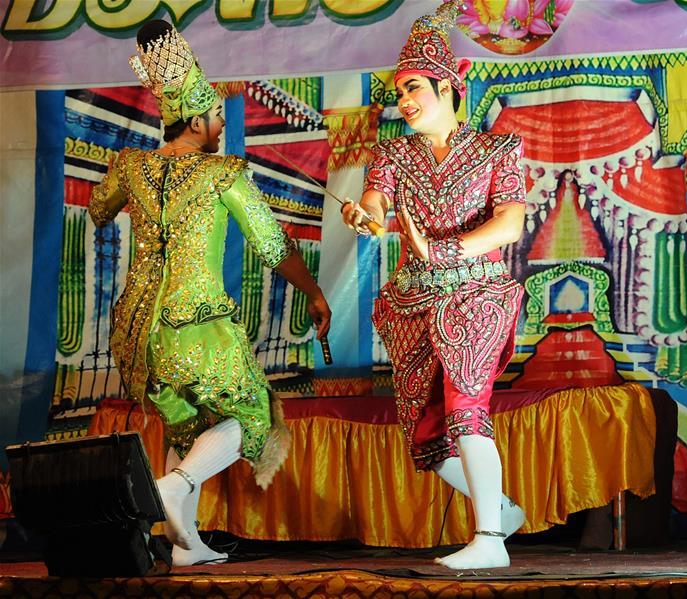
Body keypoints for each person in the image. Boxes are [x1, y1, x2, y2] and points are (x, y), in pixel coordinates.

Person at [89, 20, 331, 566]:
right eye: (218, 115)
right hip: (196, 325)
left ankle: (186, 545)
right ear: (197, 120)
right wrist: (315, 293)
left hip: (138, 336)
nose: (222, 124)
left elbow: (98, 209)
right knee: (254, 417)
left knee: (187, 426)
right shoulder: (222, 173)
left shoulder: (131, 166)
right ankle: (172, 488)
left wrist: (127, 188)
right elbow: (272, 245)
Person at [341, 0, 526, 570]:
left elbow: (510, 223)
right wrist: (365, 216)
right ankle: (502, 512)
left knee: (466, 404)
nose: (403, 100)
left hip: (477, 293)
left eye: (414, 87)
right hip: (413, 301)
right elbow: (376, 202)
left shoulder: (497, 148)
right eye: (399, 91)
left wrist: (444, 249)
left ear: (448, 86)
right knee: (425, 436)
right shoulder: (393, 154)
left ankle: (490, 540)